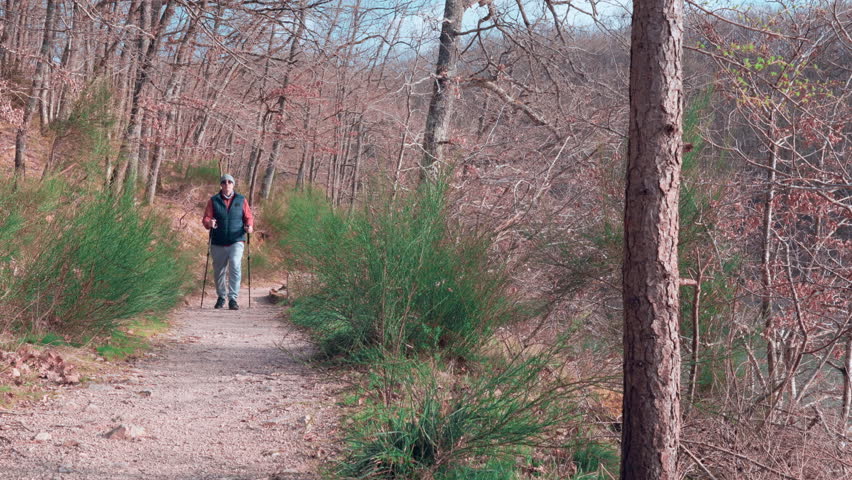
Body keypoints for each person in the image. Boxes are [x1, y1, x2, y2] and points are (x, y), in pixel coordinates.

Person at [202, 174, 254, 310]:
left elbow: (248, 216)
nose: (227, 184)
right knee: (219, 271)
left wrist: (249, 226)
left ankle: (233, 298)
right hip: (218, 241)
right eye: (224, 182)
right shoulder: (213, 200)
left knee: (235, 266)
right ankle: (221, 297)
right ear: (221, 185)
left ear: (233, 184)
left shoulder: (241, 200)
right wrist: (210, 222)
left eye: (229, 182)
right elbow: (206, 218)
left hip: (236, 240)